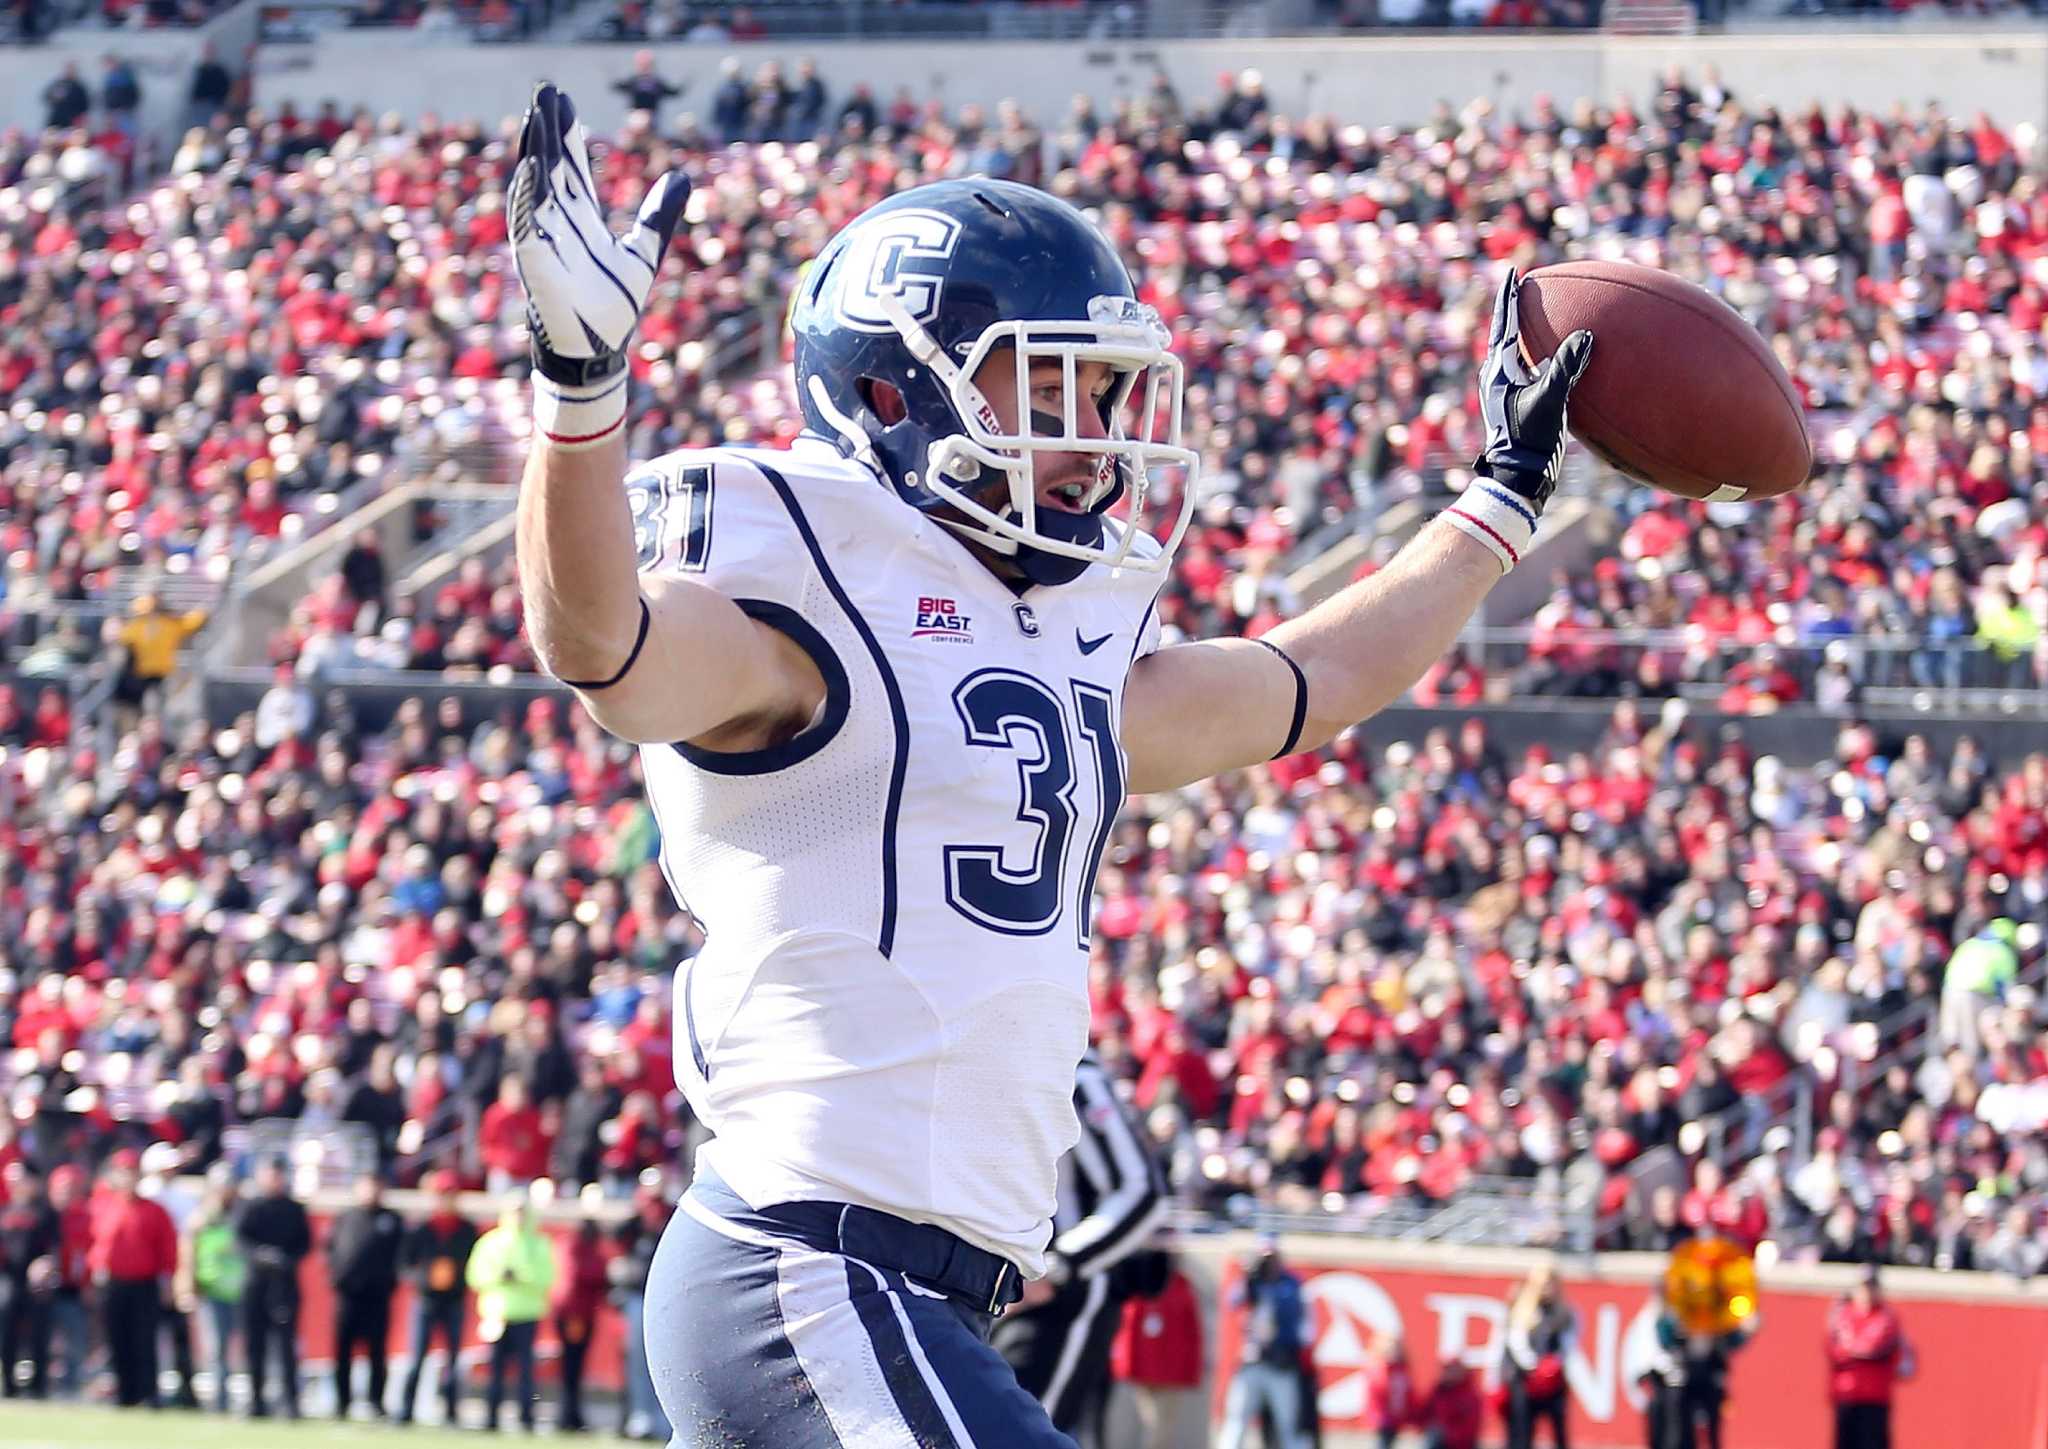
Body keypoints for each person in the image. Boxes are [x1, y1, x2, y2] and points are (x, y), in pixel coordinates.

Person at [507, 79, 1591, 1445]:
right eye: (1055, 379)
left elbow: (1313, 682)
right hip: (807, 1269)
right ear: (895, 385)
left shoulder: (1063, 633)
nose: (1095, 424)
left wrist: (1497, 501)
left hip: (921, 1291)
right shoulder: (806, 586)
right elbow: (601, 646)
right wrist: (579, 396)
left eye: (1106, 383)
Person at [995, 1051, 1168, 1442]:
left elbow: (1142, 1194)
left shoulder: (1071, 1074)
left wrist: (1058, 1268)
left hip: (1056, 1301)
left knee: (1017, 1436)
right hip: (986, 1292)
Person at [89, 1149, 179, 1408]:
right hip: (113, 1283)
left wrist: (167, 1281)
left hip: (144, 1283)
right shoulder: (103, 1206)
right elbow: (96, 1245)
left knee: (144, 1339)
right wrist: (96, 1272)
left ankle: (148, 1394)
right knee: (117, 1339)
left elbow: (167, 1249)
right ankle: (125, 1393)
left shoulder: (154, 1210)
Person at [467, 1190, 557, 1433]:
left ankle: (526, 1417)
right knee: (494, 1369)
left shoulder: (538, 1243)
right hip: (496, 1314)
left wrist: (519, 1278)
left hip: (527, 1313)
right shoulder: (491, 1242)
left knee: (526, 1370)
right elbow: (476, 1275)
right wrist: (500, 1277)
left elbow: (546, 1277)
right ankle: (491, 1417)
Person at [395, 1169, 477, 1426]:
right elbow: (405, 1263)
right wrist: (422, 1279)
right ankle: (406, 1410)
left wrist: (460, 1280)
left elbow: (475, 1264)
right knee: (417, 1356)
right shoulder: (422, 1228)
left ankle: (451, 1411)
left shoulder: (466, 1230)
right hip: (427, 1299)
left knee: (453, 1359)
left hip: (453, 1299)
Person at [1217, 1238, 1312, 1449]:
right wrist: (1249, 1278)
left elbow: (1290, 1315)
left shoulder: (1289, 1282)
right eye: (1264, 1259)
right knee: (1236, 1419)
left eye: (1271, 1258)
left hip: (1281, 1363)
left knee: (1288, 1423)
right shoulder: (1252, 1281)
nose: (1268, 1264)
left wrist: (1270, 1288)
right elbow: (1232, 1302)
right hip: (1252, 1362)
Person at [236, 1155, 311, 1419]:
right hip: (256, 1283)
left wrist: (284, 1259)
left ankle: (290, 1401)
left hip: (284, 1285)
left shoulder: (293, 1209)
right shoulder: (251, 1206)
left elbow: (304, 1244)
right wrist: (262, 1256)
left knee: (285, 1346)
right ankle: (256, 1400)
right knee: (255, 1345)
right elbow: (241, 1239)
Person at [1108, 1252, 1203, 1449]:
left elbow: (1191, 1331)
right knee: (1154, 1423)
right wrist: (1126, 1366)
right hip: (1145, 1370)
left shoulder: (1181, 1286)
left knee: (1161, 1424)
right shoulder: (1141, 1283)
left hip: (1171, 1371)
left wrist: (1191, 1370)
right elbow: (1128, 1329)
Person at [327, 1174, 404, 1419]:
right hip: (349, 1294)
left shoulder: (392, 1219)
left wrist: (389, 1282)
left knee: (377, 1352)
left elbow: (401, 1256)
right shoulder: (346, 1217)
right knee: (343, 1350)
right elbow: (331, 1249)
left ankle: (376, 1401)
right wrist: (338, 1276)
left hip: (378, 1295)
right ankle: (342, 1402)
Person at [608, 1181, 672, 1442]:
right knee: (637, 1362)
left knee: (664, 1361)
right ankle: (639, 1417)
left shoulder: (669, 1220)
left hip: (664, 1297)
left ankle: (661, 1419)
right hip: (637, 1296)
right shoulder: (635, 1225)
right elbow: (617, 1238)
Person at [180, 1175, 246, 1413]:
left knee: (241, 1349)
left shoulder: (241, 1216)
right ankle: (220, 1402)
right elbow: (188, 1256)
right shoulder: (200, 1220)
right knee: (216, 1349)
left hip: (239, 1292)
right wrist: (188, 1287)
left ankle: (240, 1401)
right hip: (212, 1291)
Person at [1828, 1266, 1906, 1449]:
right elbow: (1833, 1349)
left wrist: (1850, 1349)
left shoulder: (1886, 1317)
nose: (1867, 1293)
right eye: (1863, 1287)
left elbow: (1873, 1347)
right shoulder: (1842, 1314)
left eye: (1871, 1287)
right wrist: (1850, 1350)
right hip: (1846, 1394)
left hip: (1875, 1398)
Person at [0, 1167, 60, 1399]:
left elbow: (54, 1246)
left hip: (37, 1282)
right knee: (7, 1331)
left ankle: (38, 1387)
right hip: (9, 1279)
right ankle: (9, 1385)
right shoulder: (5, 1210)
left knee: (39, 1333)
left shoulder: (45, 1212)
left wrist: (45, 1263)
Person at [1503, 1265, 1577, 1449]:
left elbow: (1569, 1340)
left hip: (1554, 1379)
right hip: (1526, 1380)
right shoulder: (1524, 1311)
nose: (1546, 1289)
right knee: (1523, 1429)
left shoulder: (1564, 1312)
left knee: (1558, 1429)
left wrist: (1552, 1365)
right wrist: (1534, 1366)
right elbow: (1516, 1340)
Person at [551, 1219, 610, 1432]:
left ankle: (571, 1414)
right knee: (572, 1366)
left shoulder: (569, 1247)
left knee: (573, 1366)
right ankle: (568, 1415)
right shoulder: (576, 1250)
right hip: (575, 1314)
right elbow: (582, 1275)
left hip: (575, 1313)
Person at [1360, 1328, 1416, 1449]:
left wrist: (1411, 1413)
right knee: (1383, 1443)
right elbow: (1377, 1393)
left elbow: (1408, 1394)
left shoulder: (1402, 1370)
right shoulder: (1379, 1369)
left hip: (1396, 1416)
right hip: (1382, 1419)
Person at [1417, 1360, 1484, 1449]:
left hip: (1461, 1443)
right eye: (1447, 1370)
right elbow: (1425, 1412)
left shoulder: (1468, 1395)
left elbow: (1469, 1425)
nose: (1449, 1374)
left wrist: (1450, 1434)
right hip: (1441, 1439)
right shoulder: (1439, 1391)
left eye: (1453, 1371)